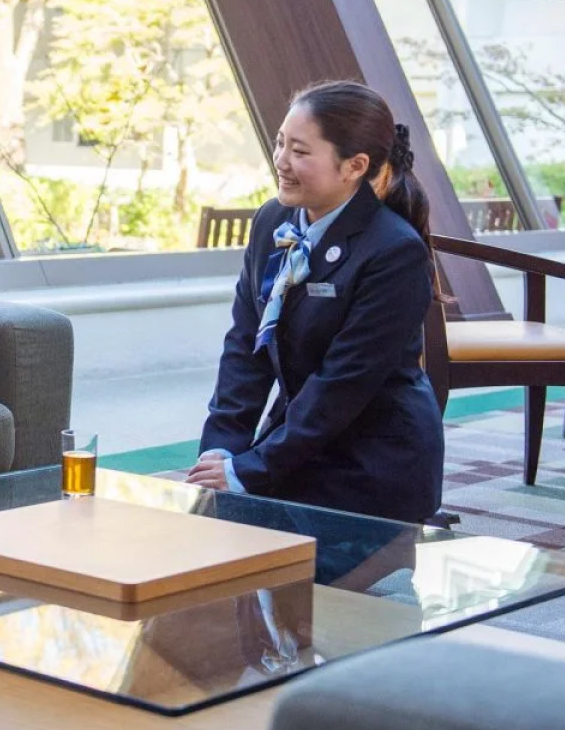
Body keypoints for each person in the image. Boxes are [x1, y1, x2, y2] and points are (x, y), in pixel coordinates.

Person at [187, 80, 445, 524]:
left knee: (271, 565)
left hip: (369, 464)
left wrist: (250, 469)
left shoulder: (394, 252)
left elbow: (342, 385)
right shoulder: (273, 220)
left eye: (300, 152)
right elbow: (245, 346)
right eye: (280, 144)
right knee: (206, 542)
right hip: (297, 445)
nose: (281, 163)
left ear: (354, 166)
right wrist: (222, 449)